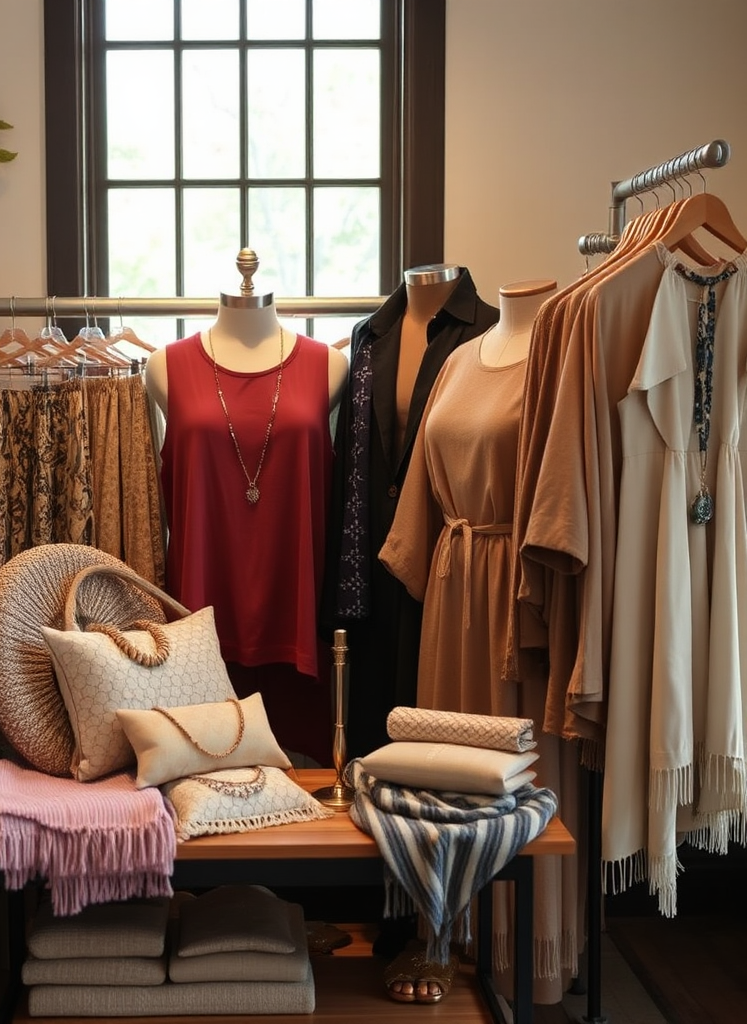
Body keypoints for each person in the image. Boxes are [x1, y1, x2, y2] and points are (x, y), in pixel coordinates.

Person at [379, 279, 584, 1005]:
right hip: (453, 581)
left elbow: (570, 496)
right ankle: (450, 935)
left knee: (516, 774)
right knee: (448, 766)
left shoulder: (566, 357)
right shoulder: (461, 359)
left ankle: (527, 951)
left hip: (520, 589)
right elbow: (418, 500)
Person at [145, 250, 347, 765]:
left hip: (298, 616)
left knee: (308, 797)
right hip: (200, 626)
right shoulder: (166, 365)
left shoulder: (331, 365)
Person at [321, 263, 500, 761]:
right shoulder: (369, 335)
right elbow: (349, 457)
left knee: (437, 714)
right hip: (370, 551)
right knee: (372, 726)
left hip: (447, 548)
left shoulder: (488, 330)